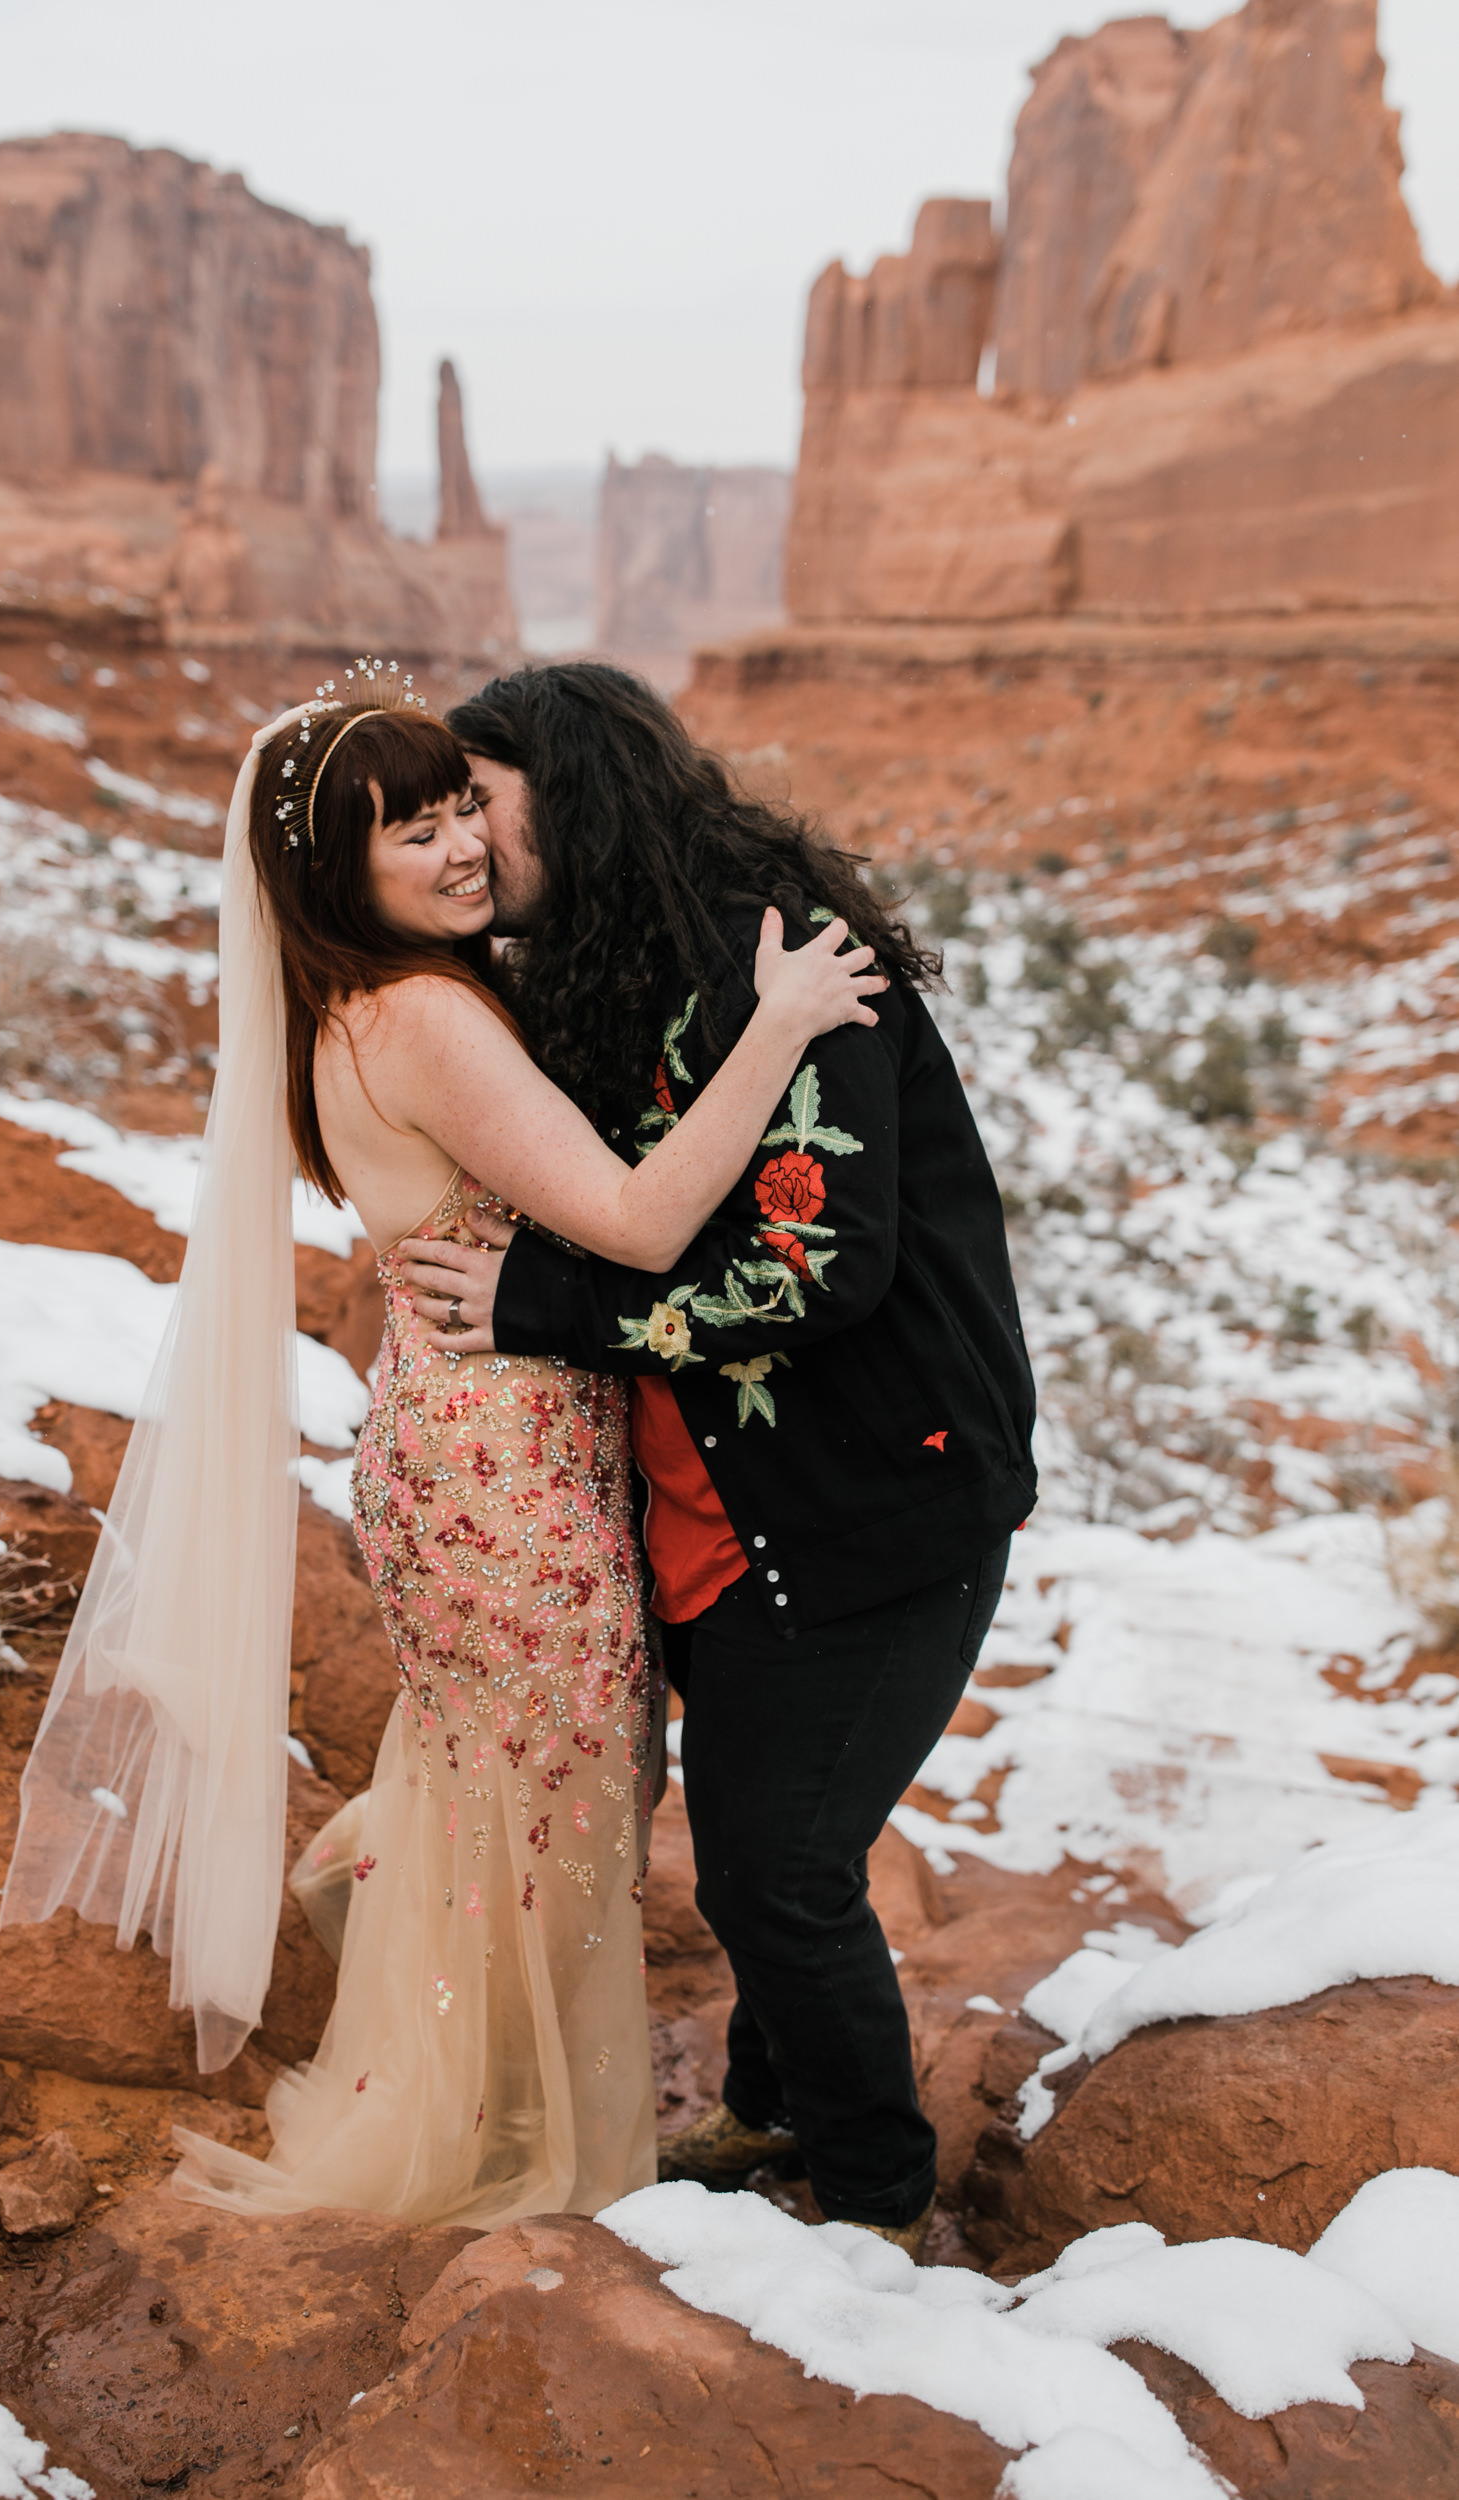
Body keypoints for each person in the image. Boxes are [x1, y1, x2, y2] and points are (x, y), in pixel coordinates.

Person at [2, 672, 883, 2232]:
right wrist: (783, 1025)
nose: (460, 844)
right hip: (505, 1468)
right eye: (410, 831)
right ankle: (480, 2129)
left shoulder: (363, 1001)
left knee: (515, 1774)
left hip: (471, 1442)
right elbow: (639, 1218)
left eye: (458, 804)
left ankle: (424, 1969)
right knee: (558, 1794)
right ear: (335, 876)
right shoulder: (417, 1015)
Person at [400, 663, 1037, 2255]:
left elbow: (822, 1265)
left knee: (778, 1867)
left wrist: (541, 1304)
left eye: (482, 797)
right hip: (721, 1509)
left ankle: (880, 2201)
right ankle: (772, 2106)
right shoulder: (607, 962)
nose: (468, 837)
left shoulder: (781, 954)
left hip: (877, 1505)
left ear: (578, 788)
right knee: (762, 1838)